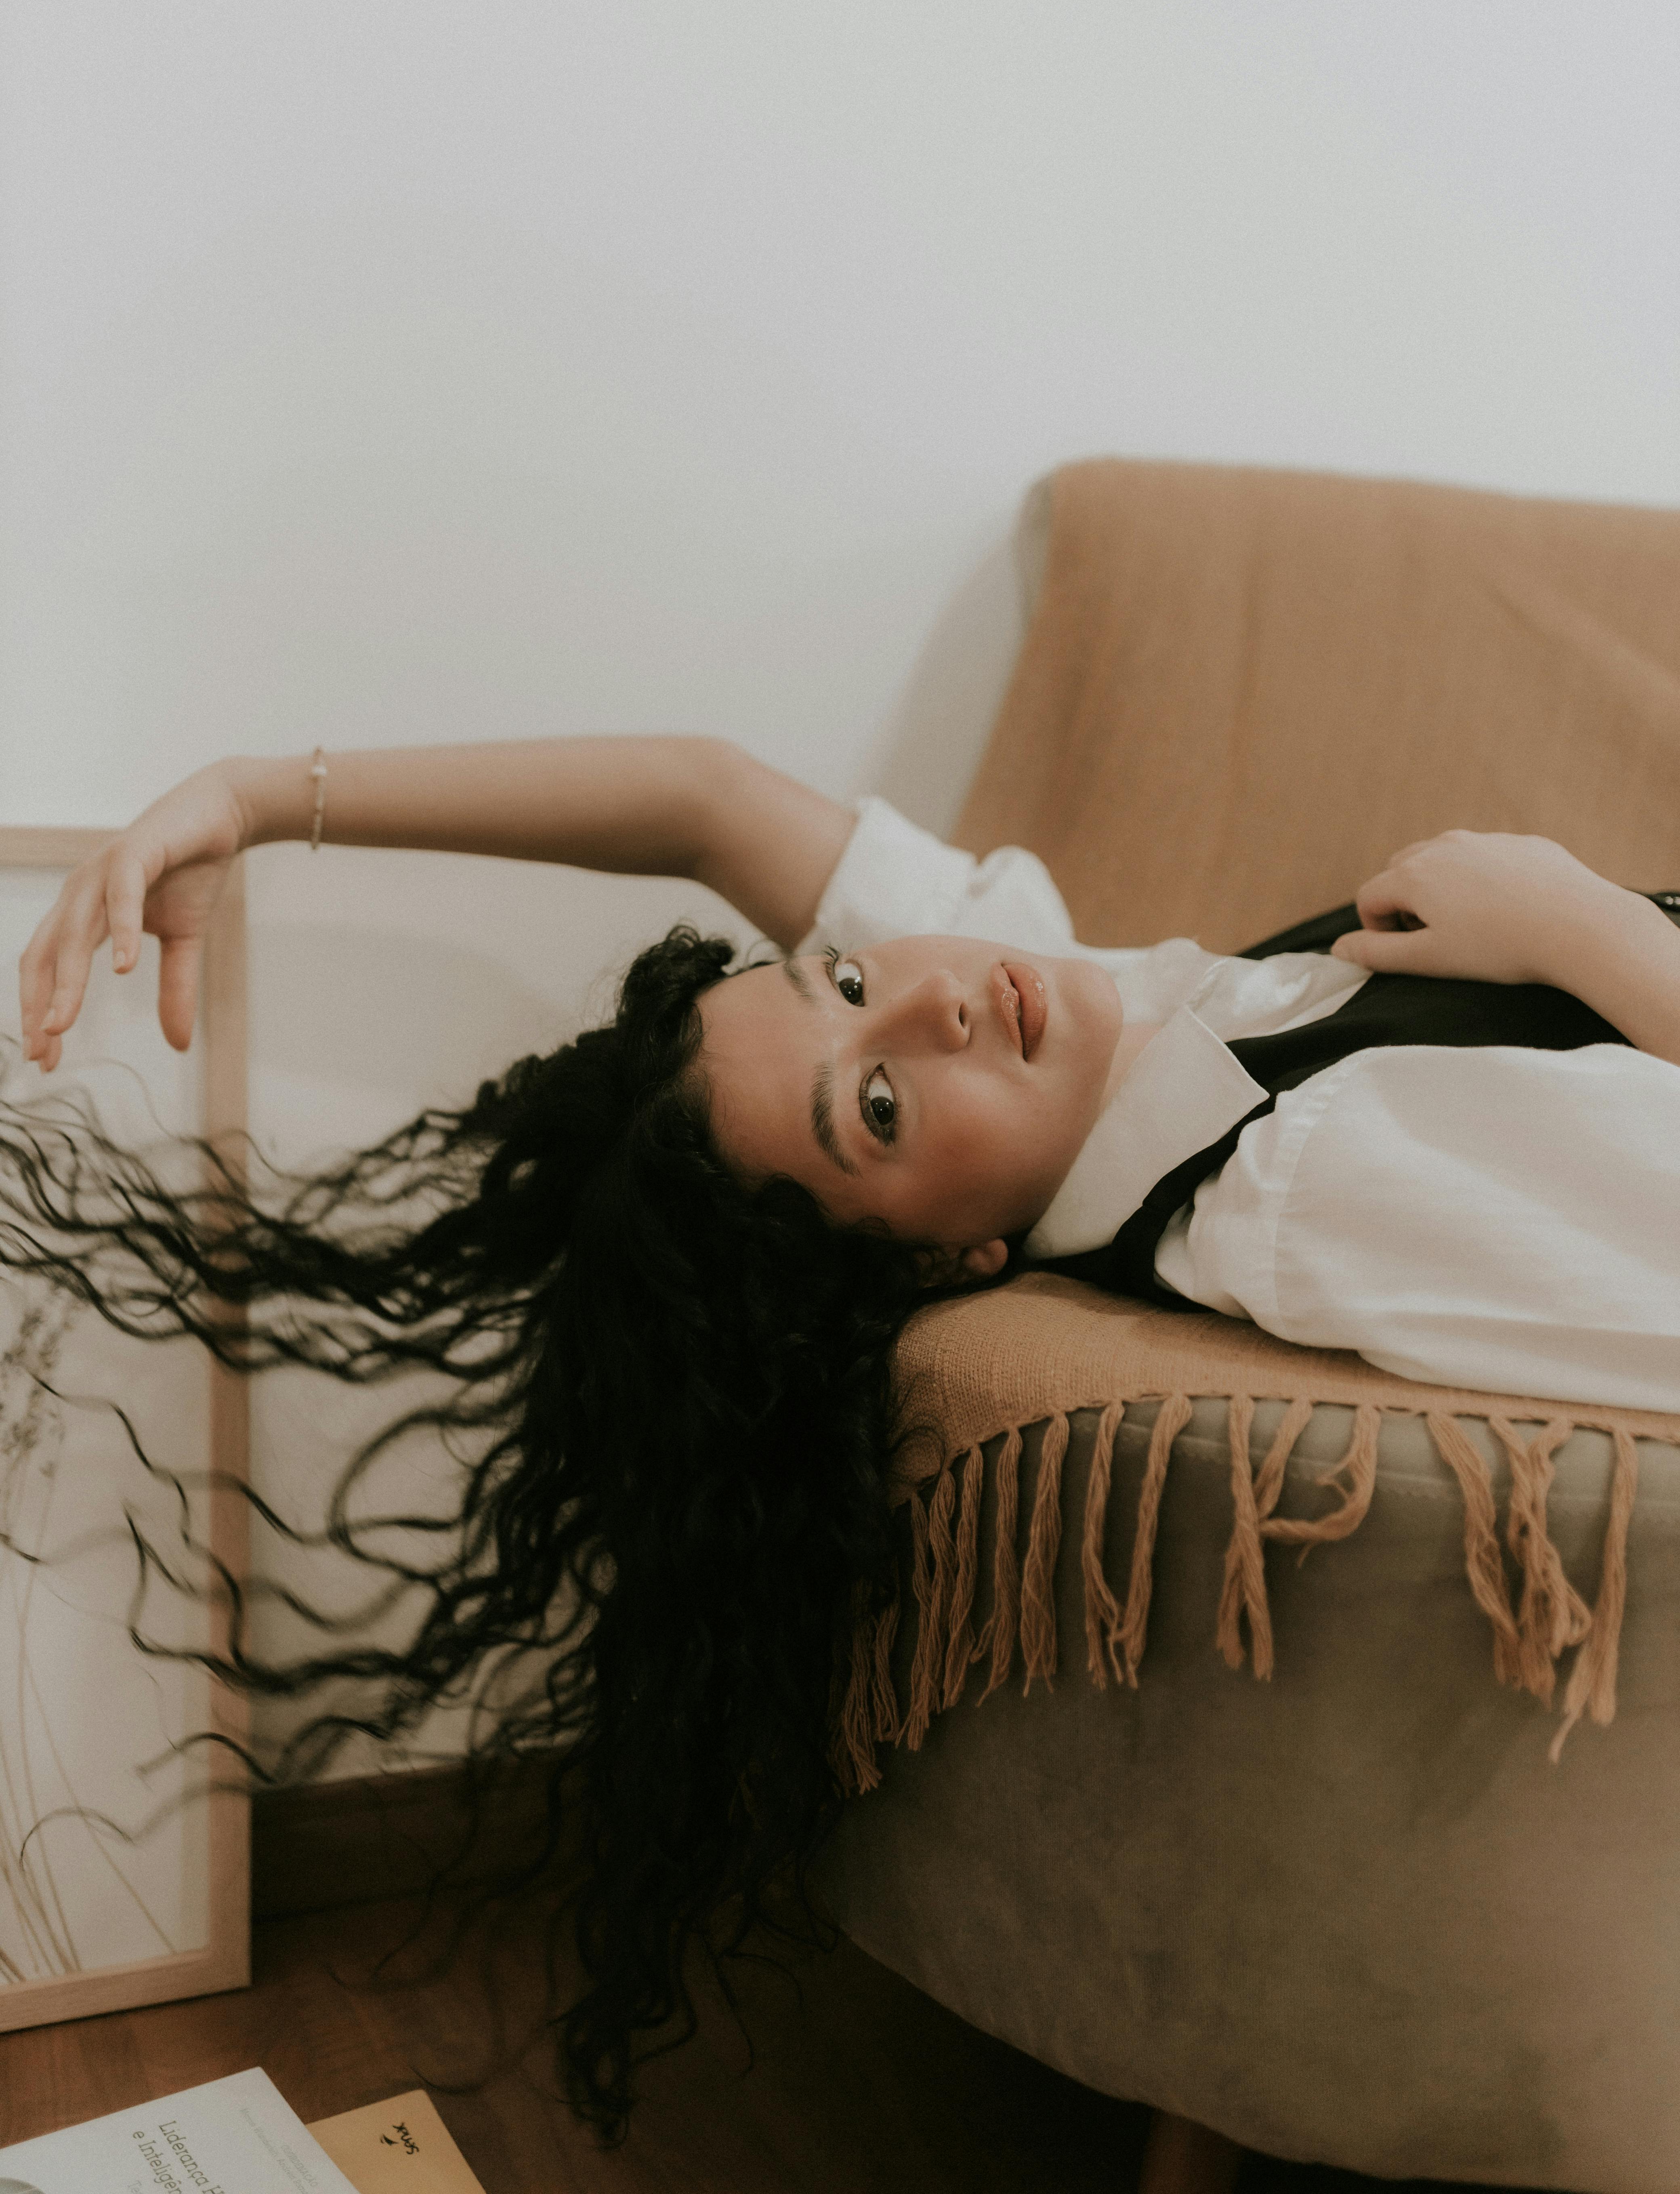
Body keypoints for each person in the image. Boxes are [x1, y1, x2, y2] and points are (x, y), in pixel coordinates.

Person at [13, 735, 1680, 2127]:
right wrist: (1574, 920)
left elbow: (701, 798)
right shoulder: (1309, 1187)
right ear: (952, 1259)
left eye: (852, 977)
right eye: (875, 1107)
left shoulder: (1122, 1020)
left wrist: (253, 794)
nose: (932, 1009)